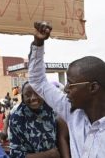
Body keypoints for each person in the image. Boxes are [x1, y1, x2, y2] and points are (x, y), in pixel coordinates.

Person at [28, 21, 105, 158]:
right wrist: (38, 44)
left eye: (71, 84)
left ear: (93, 87)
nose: (66, 89)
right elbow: (38, 81)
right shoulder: (72, 111)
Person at [9, 82, 60, 158]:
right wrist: (48, 154)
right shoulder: (17, 119)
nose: (33, 98)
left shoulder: (52, 110)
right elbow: (16, 154)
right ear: (23, 98)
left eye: (37, 93)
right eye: (28, 95)